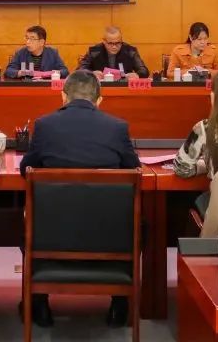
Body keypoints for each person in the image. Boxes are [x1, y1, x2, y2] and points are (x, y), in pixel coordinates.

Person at [18, 71, 139, 328]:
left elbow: (26, 170)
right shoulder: (117, 127)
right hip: (107, 234)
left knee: (29, 220)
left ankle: (39, 303)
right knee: (138, 224)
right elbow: (134, 171)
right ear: (99, 100)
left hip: (52, 234)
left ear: (63, 96)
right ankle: (120, 303)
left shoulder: (44, 125)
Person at [78, 26, 149, 79]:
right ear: (104, 41)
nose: (114, 47)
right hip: (99, 88)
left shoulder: (130, 51)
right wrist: (92, 74)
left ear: (121, 40)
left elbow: (144, 71)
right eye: (110, 43)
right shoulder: (94, 51)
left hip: (124, 88)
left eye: (118, 43)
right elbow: (79, 70)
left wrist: (137, 75)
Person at [5, 25, 69, 79]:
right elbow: (8, 71)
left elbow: (65, 71)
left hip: (46, 87)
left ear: (42, 42)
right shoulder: (21, 53)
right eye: (27, 38)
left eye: (32, 39)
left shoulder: (52, 53)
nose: (28, 42)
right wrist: (22, 73)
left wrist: (49, 73)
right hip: (27, 87)